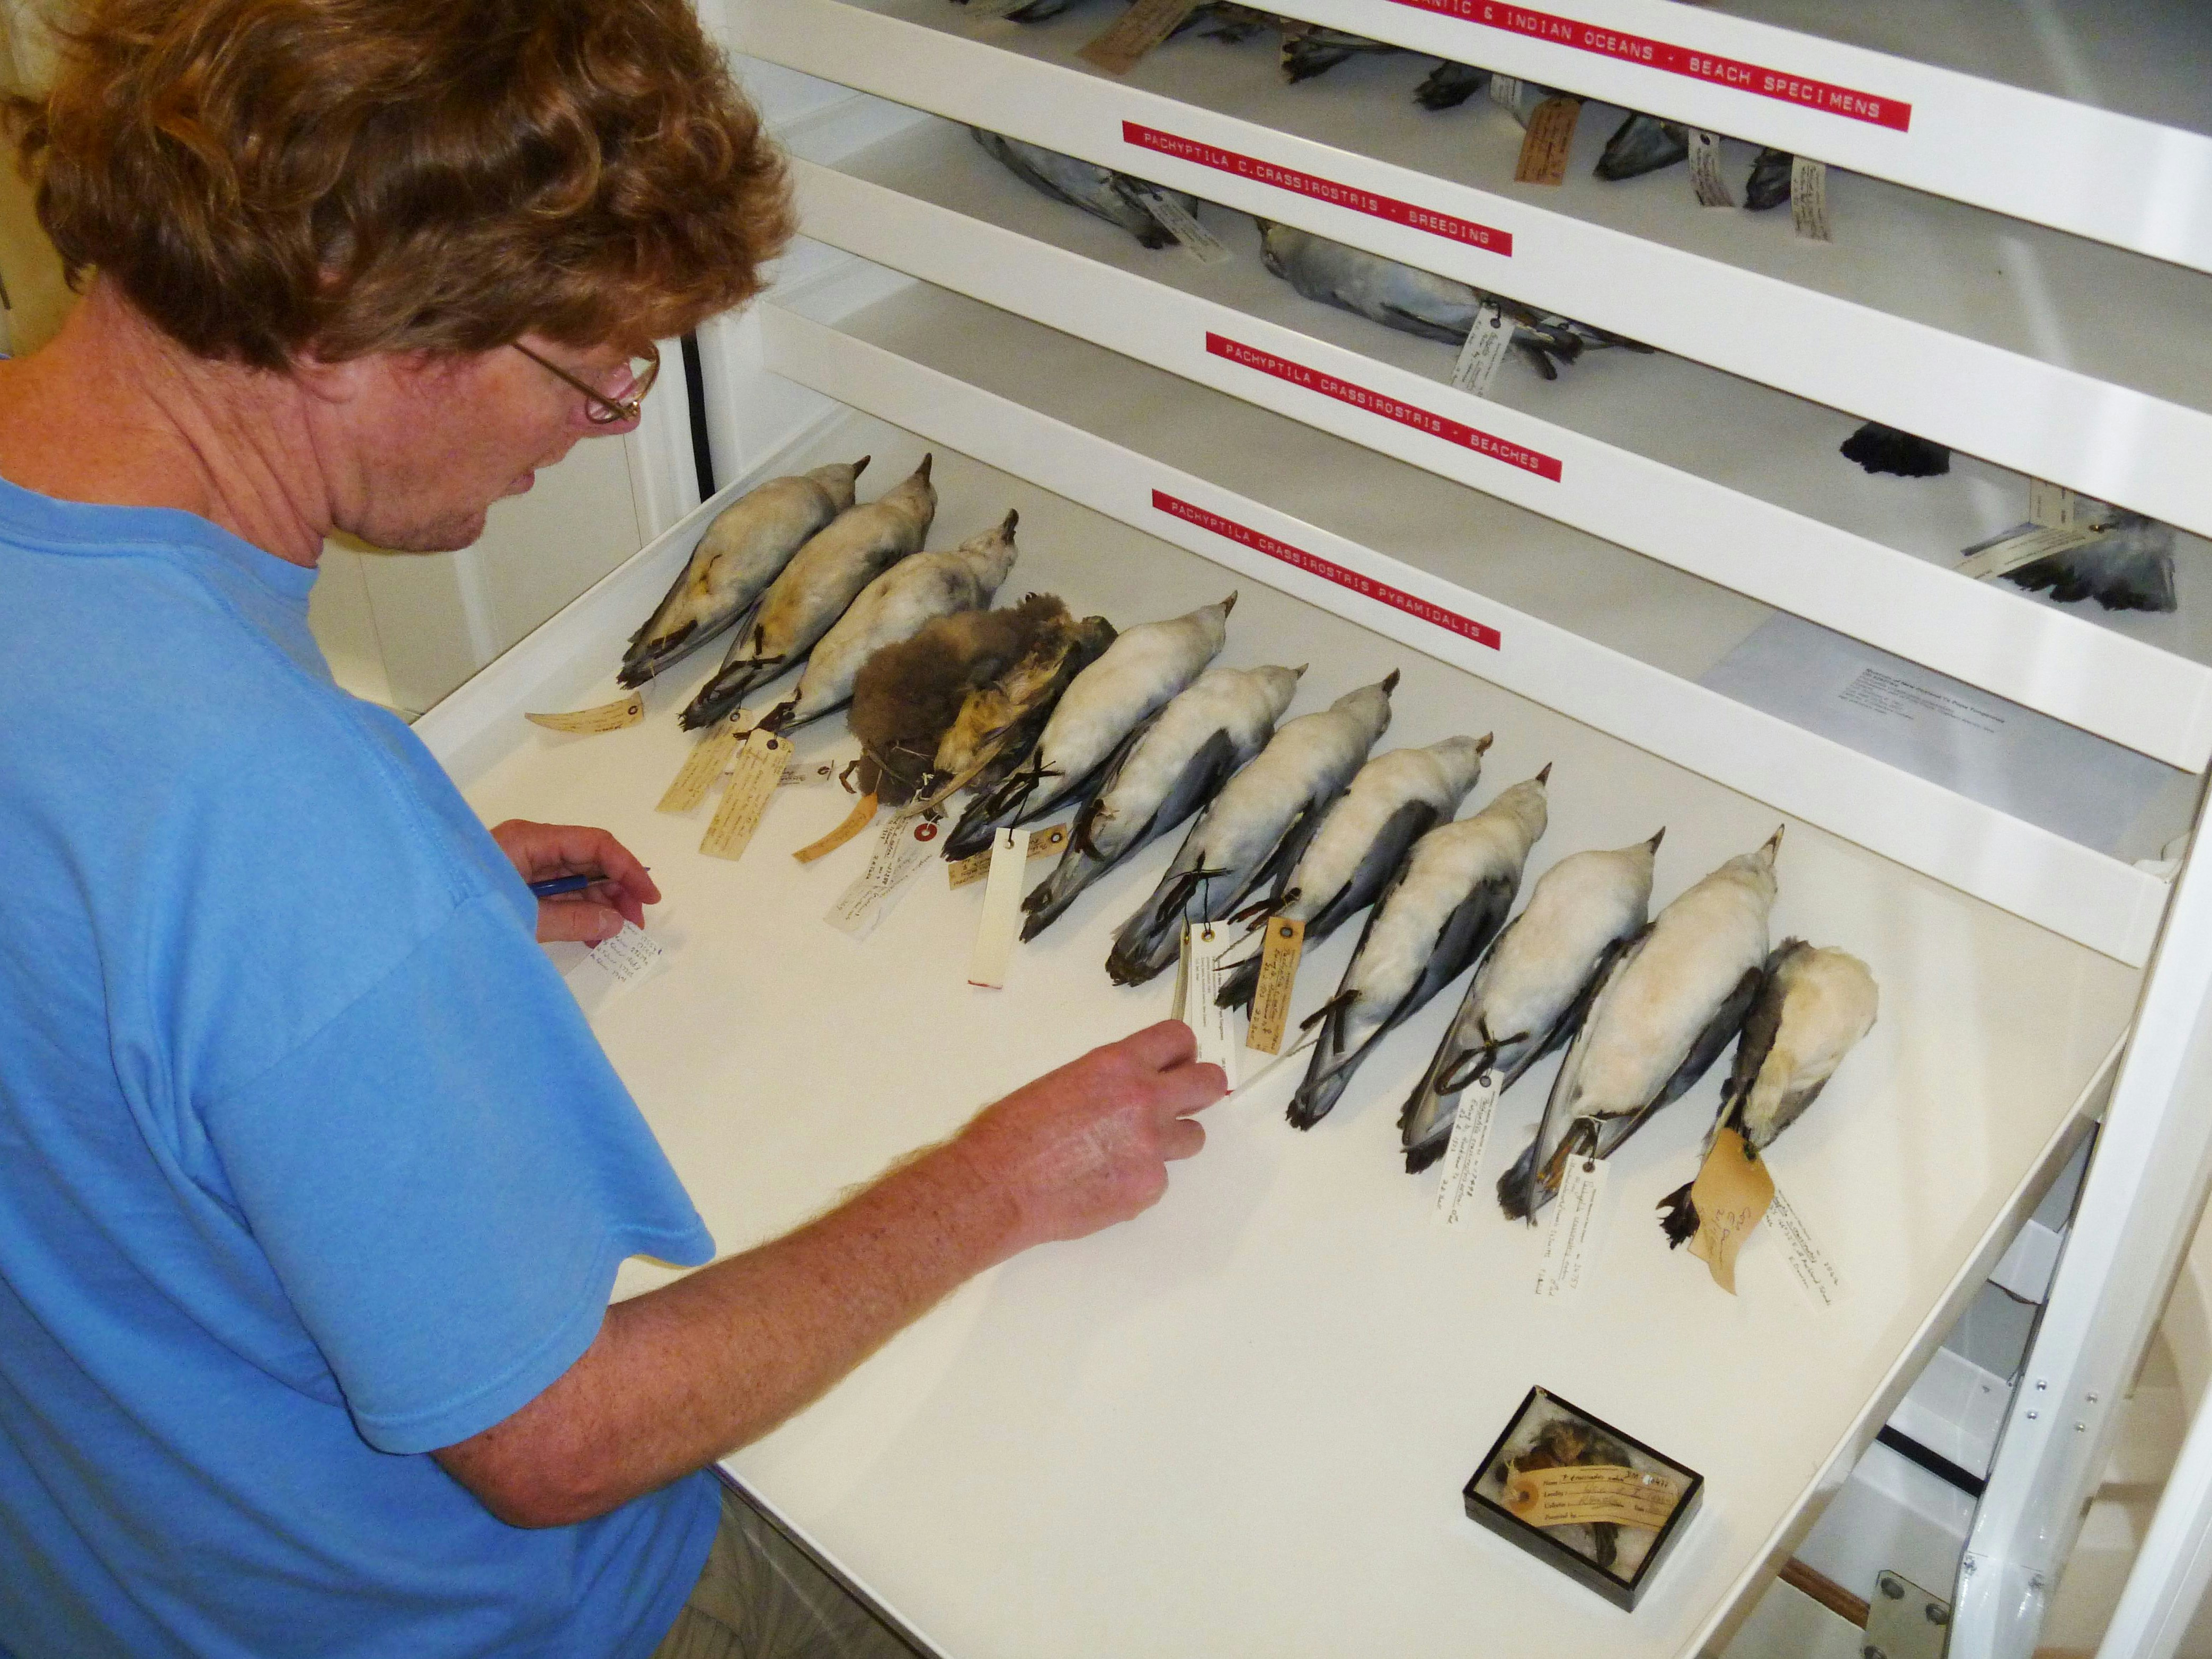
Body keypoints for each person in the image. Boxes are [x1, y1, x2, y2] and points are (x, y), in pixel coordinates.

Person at [0, 2, 1229, 1655]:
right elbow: (557, 1443)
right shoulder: (278, 822)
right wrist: (991, 1184)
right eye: (591, 371)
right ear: (343, 310)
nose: (611, 425)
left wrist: (347, 958)